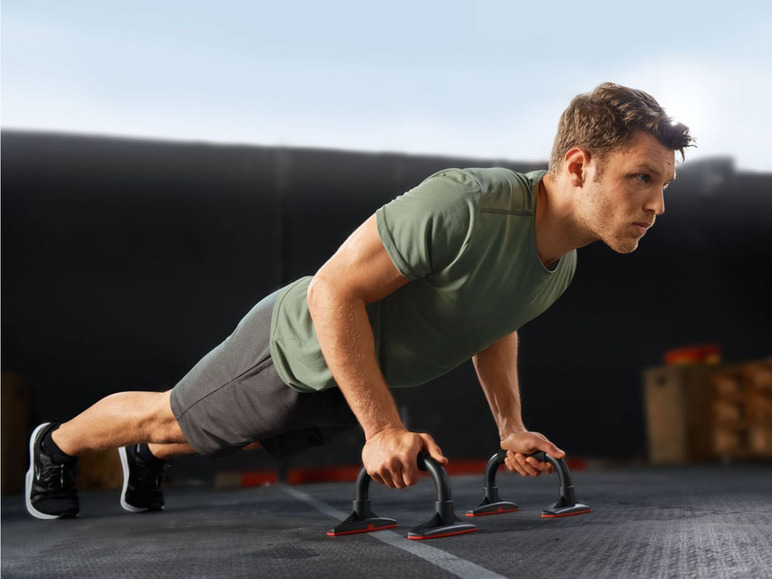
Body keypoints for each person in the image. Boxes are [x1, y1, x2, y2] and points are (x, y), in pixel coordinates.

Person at [26, 82, 694, 519]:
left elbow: (495, 322)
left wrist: (510, 426)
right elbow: (334, 287)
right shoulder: (467, 204)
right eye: (641, 178)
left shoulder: (560, 264)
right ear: (578, 166)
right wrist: (380, 430)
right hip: (295, 345)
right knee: (172, 414)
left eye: (663, 185)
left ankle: (145, 457)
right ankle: (56, 446)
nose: (657, 205)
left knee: (230, 435)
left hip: (352, 377)